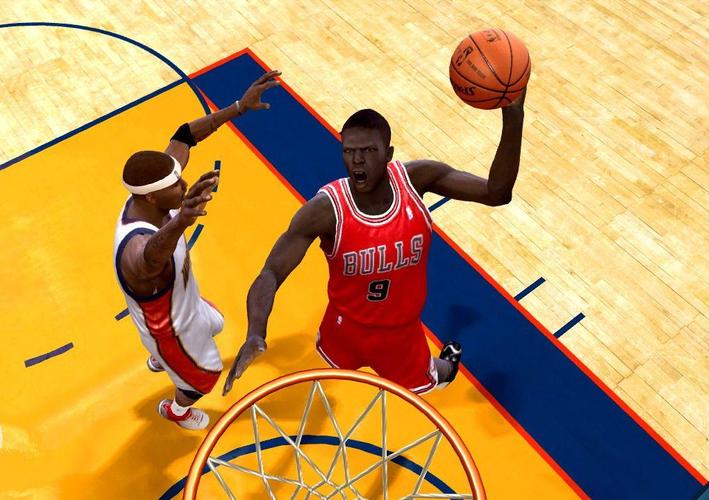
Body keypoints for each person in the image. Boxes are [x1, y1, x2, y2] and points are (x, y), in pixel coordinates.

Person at [223, 90, 526, 396]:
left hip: (401, 334)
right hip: (344, 327)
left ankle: (445, 368)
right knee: (329, 384)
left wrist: (513, 114)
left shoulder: (418, 179)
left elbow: (496, 193)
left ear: (388, 153)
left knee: (437, 376)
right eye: (349, 151)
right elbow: (271, 272)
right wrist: (255, 332)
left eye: (368, 150)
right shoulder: (325, 211)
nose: (357, 160)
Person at [114, 70, 281, 429]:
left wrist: (239, 107)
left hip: (185, 302)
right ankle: (176, 410)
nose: (184, 183)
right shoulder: (133, 246)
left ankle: (163, 361)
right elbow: (149, 258)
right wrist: (182, 221)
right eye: (176, 184)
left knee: (217, 322)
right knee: (205, 376)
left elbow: (184, 136)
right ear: (152, 197)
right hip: (169, 328)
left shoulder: (153, 196)